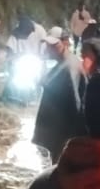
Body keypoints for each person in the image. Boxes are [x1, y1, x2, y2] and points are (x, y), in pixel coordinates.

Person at [32, 28, 85, 163]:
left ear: (66, 43)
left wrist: (73, 137)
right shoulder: (62, 64)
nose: (50, 49)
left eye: (54, 45)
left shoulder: (70, 67)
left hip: (63, 133)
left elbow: (75, 103)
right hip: (57, 131)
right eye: (48, 45)